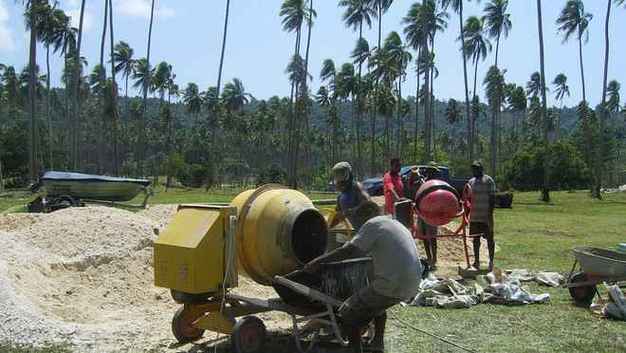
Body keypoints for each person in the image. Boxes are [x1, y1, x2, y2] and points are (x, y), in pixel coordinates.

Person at [304, 201, 421, 353]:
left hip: (393, 283)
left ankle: (355, 349)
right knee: (378, 306)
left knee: (347, 311)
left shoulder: (373, 224)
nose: (358, 226)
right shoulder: (393, 223)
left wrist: (318, 261)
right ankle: (377, 344)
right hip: (412, 283)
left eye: (358, 222)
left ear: (367, 215)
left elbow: (350, 251)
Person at [467, 160, 496, 271]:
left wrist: (489, 215)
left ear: (481, 169)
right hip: (474, 216)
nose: (475, 170)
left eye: (477, 168)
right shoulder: (471, 182)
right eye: (473, 169)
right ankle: (477, 262)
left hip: (486, 216)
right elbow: (467, 199)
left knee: (490, 239)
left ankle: (491, 262)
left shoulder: (489, 181)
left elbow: (492, 198)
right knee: (476, 239)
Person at [413, 162, 440, 269]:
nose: (432, 173)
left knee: (432, 237)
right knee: (424, 236)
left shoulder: (437, 183)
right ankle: (429, 257)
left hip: (432, 213)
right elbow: (413, 188)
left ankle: (434, 259)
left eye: (434, 172)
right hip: (422, 211)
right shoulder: (422, 181)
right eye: (431, 171)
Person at [329, 162, 370, 232]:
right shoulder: (340, 196)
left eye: (341, 174)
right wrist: (327, 227)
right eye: (337, 175)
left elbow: (369, 205)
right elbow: (338, 216)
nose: (339, 179)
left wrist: (349, 212)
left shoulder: (357, 187)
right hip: (354, 230)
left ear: (348, 174)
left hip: (365, 228)